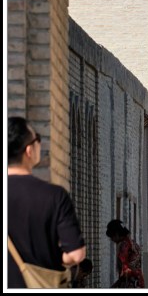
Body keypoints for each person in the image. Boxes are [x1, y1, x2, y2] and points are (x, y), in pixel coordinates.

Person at [8, 116, 86, 289]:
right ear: (29, 150)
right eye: (38, 139)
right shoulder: (54, 196)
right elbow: (76, 254)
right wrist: (51, 254)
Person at [106, 218, 145, 288]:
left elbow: (125, 271)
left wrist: (115, 285)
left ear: (117, 234)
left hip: (130, 284)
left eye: (112, 237)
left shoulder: (124, 246)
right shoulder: (133, 244)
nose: (112, 240)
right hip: (138, 282)